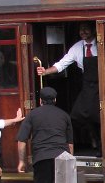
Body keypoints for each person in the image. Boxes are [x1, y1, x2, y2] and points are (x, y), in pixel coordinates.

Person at [16, 86, 74, 183]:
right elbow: (69, 144)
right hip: (62, 159)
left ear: (40, 101)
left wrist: (21, 161)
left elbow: (22, 140)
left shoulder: (32, 115)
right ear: (55, 100)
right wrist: (70, 163)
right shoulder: (64, 115)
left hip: (41, 159)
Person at [38, 23, 101, 153]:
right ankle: (91, 140)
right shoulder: (77, 47)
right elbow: (62, 64)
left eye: (86, 29)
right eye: (81, 29)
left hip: (102, 84)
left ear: (94, 30)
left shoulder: (101, 43)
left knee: (99, 117)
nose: (83, 32)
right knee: (76, 115)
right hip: (88, 85)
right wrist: (45, 72)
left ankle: (102, 146)